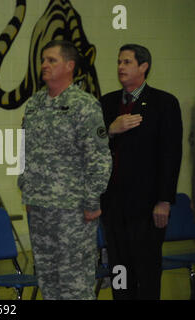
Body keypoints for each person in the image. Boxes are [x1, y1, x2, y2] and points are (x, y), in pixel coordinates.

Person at [18, 40, 112, 299]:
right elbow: (24, 150)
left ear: (69, 66)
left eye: (51, 60)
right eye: (42, 60)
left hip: (72, 209)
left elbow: (99, 156)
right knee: (48, 281)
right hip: (39, 207)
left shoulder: (84, 105)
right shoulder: (35, 104)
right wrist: (26, 188)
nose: (44, 65)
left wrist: (92, 200)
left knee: (74, 283)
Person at [100, 44, 182, 300]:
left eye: (126, 62)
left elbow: (171, 155)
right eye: (118, 62)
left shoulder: (163, 103)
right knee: (120, 270)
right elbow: (92, 147)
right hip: (113, 205)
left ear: (143, 66)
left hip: (147, 207)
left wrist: (164, 200)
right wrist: (111, 129)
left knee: (145, 272)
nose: (120, 67)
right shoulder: (107, 103)